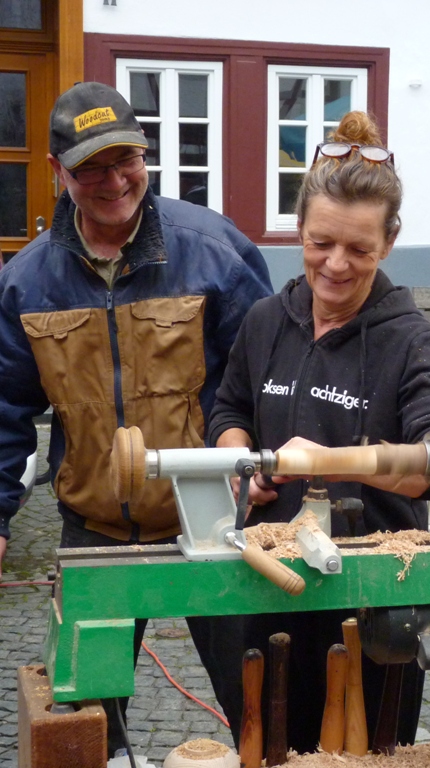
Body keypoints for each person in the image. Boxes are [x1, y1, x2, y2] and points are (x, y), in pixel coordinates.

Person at [0, 82, 273, 754]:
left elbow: (267, 377)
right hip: (93, 525)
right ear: (59, 171)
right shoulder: (27, 282)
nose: (113, 180)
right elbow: (4, 408)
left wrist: (266, 472)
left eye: (125, 158)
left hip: (213, 517)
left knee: (262, 702)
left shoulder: (214, 250)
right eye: (91, 165)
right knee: (88, 720)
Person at [208, 111, 430, 754]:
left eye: (359, 248)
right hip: (269, 589)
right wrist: (239, 461)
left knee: (363, 755)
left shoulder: (414, 343)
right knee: (267, 746)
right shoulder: (267, 321)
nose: (336, 264)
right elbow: (229, 408)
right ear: (298, 228)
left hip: (373, 605)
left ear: (389, 242)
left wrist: (329, 461)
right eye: (321, 241)